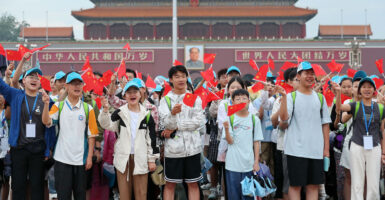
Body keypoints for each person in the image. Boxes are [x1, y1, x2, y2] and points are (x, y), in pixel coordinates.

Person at [0, 62, 55, 200]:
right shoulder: (16, 95)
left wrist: (48, 148)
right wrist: (20, 63)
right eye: (30, 76)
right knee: (18, 186)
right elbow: (3, 85)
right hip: (19, 148)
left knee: (37, 186)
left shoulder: (46, 100)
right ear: (23, 81)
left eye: (37, 77)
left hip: (38, 149)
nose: (34, 79)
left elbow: (50, 127)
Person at [42, 72, 98, 200]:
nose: (77, 86)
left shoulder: (88, 108)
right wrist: (46, 104)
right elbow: (47, 122)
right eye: (73, 84)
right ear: (66, 86)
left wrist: (89, 157)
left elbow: (92, 135)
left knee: (80, 196)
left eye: (79, 84)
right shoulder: (58, 106)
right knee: (63, 196)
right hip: (62, 159)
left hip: (81, 160)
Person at [279, 61, 331, 200]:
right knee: (295, 185)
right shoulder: (291, 97)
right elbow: (284, 120)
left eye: (312, 73)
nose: (310, 76)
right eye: (306, 73)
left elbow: (325, 124)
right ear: (298, 76)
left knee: (313, 185)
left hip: (315, 150)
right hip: (295, 149)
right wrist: (283, 98)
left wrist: (326, 149)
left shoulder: (320, 98)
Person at [98, 80, 158, 200]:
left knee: (141, 194)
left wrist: (151, 159)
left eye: (135, 92)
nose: (132, 95)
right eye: (129, 92)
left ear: (140, 94)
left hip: (140, 158)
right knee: (125, 195)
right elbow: (107, 124)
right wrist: (105, 111)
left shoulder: (147, 115)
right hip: (123, 159)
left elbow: (151, 139)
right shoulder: (120, 113)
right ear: (124, 96)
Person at [335, 76, 385, 200]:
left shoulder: (380, 108)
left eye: (369, 87)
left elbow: (382, 131)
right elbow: (340, 108)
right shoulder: (355, 105)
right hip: (357, 146)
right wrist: (338, 93)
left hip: (374, 147)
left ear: (374, 90)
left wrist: (383, 152)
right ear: (359, 90)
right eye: (364, 87)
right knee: (357, 183)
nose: (367, 89)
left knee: (373, 185)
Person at [159, 65, 205, 200]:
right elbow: (166, 124)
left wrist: (177, 126)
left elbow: (198, 122)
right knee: (170, 184)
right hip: (173, 150)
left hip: (193, 149)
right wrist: (172, 114)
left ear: (187, 78)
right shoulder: (165, 100)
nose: (181, 79)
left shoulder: (195, 99)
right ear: (171, 80)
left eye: (183, 76)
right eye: (177, 76)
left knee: (193, 183)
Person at [222, 89, 263, 200]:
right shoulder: (229, 118)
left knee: (248, 196)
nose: (241, 101)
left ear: (249, 101)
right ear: (232, 102)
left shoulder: (255, 119)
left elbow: (256, 142)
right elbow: (230, 141)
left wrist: (256, 162)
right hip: (232, 165)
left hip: (248, 165)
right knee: (234, 196)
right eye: (238, 99)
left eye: (244, 98)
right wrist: (226, 128)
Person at [271, 67, 298, 200]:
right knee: (286, 182)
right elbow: (276, 123)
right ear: (288, 81)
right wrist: (283, 104)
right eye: (296, 80)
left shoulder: (309, 98)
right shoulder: (280, 100)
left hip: (304, 147)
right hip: (285, 146)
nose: (299, 82)